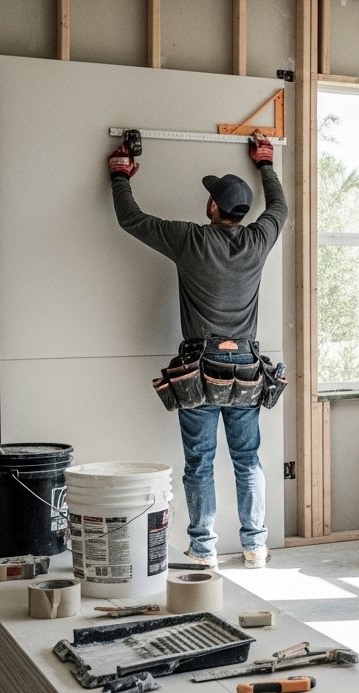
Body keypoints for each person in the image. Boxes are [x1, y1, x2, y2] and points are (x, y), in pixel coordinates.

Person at [107, 132, 287, 569]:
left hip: (200, 368)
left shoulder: (189, 239)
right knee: (247, 459)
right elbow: (279, 207)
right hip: (246, 366)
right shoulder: (259, 239)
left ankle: (204, 551)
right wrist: (265, 163)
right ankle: (255, 547)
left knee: (200, 462)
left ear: (212, 207)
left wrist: (120, 175)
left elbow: (130, 218)